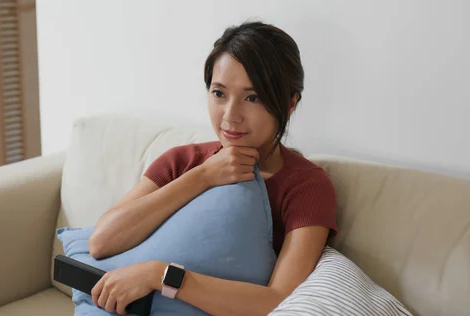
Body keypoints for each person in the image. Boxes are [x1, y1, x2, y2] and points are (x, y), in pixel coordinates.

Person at [87, 21, 337, 315]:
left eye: (252, 98)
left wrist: (159, 275)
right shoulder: (182, 161)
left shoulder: (307, 187)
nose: (231, 116)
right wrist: (203, 177)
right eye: (219, 93)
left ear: (290, 103)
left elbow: (278, 300)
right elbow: (101, 242)